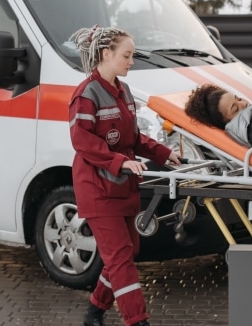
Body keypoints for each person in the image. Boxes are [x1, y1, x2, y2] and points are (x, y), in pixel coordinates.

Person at [68, 25, 180, 326]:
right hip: (97, 190)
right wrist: (119, 161)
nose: (132, 62)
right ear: (106, 54)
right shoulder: (86, 95)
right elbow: (82, 142)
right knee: (120, 260)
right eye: (127, 56)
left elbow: (134, 137)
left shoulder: (123, 91)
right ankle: (137, 320)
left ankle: (94, 312)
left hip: (121, 187)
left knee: (127, 252)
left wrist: (163, 153)